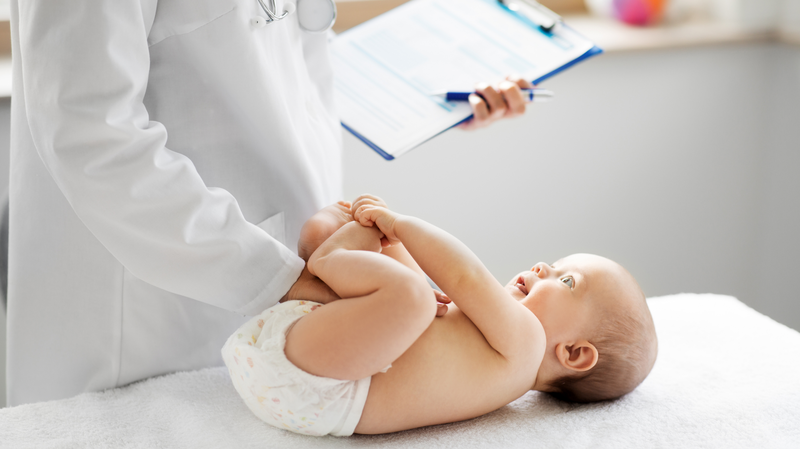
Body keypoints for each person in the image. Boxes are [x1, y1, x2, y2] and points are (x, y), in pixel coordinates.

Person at [6, 0, 535, 405]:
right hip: (144, 317)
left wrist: (428, 96)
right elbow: (89, 132)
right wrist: (278, 279)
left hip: (291, 274)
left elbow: (276, 60)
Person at [222, 195, 659, 436]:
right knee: (419, 297)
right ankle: (326, 248)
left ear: (575, 354)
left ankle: (328, 256)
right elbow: (446, 294)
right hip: (323, 358)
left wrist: (401, 225)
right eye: (556, 264)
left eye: (567, 282)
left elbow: (464, 275)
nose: (544, 267)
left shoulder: (526, 345)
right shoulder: (488, 352)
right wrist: (388, 243)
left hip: (325, 385)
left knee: (413, 297)